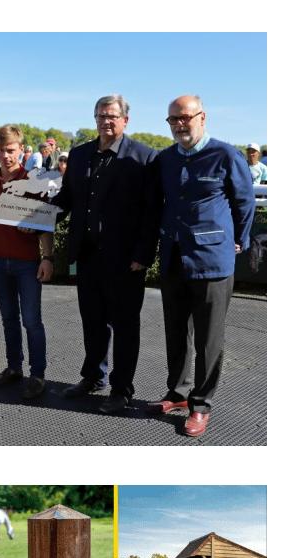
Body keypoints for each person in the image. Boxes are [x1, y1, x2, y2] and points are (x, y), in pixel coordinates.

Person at [151, 95, 255, 437]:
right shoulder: (165, 159)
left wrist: (238, 239)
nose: (180, 125)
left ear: (202, 117)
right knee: (176, 332)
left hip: (212, 260)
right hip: (174, 257)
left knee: (209, 339)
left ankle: (200, 404)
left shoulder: (225, 155)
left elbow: (244, 202)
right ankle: (178, 393)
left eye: (185, 118)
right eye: (173, 120)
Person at [52, 94, 160, 413]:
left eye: (112, 116)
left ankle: (122, 388)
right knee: (93, 321)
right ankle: (92, 377)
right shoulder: (80, 153)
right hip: (87, 255)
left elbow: (151, 213)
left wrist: (143, 254)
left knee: (125, 326)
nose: (105, 121)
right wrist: (35, 216)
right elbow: (67, 198)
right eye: (100, 116)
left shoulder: (144, 157)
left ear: (126, 120)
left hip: (126, 260)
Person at [0, 124, 54, 400]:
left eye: (11, 150)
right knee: (9, 319)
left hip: (28, 263)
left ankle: (38, 375)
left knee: (32, 321)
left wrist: (47, 258)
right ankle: (14, 368)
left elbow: (45, 225)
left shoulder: (34, 183)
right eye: (2, 150)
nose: (6, 155)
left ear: (22, 150)